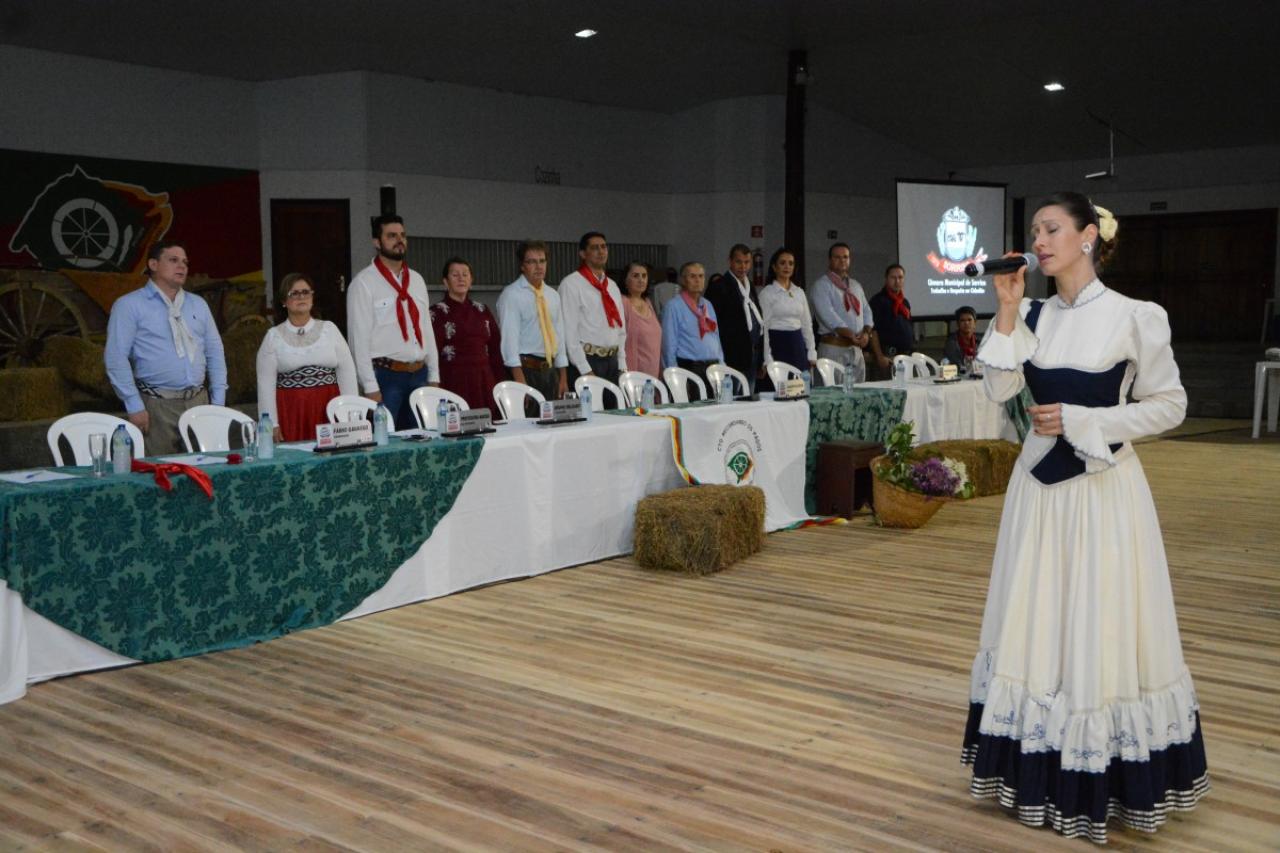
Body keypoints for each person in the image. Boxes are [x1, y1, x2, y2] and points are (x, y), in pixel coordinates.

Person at [963, 192, 1207, 843]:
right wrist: (1007, 308)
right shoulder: (1031, 313)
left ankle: (1104, 772)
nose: (1039, 241)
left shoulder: (1135, 316)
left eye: (1051, 229)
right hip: (1038, 497)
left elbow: (1170, 405)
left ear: (1088, 237)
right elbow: (998, 389)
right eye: (1034, 230)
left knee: (1098, 618)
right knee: (1038, 615)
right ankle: (1036, 769)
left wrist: (1086, 419)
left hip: (1103, 494)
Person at [104, 240, 228, 455]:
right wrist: (134, 405)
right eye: (173, 260)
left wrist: (218, 403)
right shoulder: (129, 305)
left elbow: (214, 351)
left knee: (206, 467)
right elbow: (116, 357)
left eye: (185, 262)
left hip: (199, 402)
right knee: (161, 470)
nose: (182, 266)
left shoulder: (198, 304)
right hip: (157, 405)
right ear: (153, 264)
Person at [346, 215, 439, 430]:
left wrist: (434, 375)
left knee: (423, 439)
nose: (399, 240)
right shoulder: (363, 283)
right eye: (391, 236)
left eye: (402, 235)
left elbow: (426, 329)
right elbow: (358, 340)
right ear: (377, 242)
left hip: (420, 374)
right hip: (386, 377)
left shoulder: (417, 280)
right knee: (385, 440)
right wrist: (370, 386)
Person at [255, 273, 358, 442]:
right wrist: (271, 423)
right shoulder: (273, 337)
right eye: (294, 293)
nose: (301, 297)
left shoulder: (329, 329)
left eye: (305, 292)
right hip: (291, 411)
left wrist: (350, 414)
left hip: (329, 408)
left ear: (312, 297)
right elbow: (265, 384)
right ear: (284, 301)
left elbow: (347, 373)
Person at [429, 257, 505, 417]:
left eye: (465, 274)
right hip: (453, 380)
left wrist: (500, 384)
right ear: (445, 282)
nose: (461, 278)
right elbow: (431, 353)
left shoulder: (482, 310)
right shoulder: (436, 313)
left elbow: (496, 350)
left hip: (484, 381)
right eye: (455, 275)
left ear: (471, 281)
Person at [497, 240, 568, 406]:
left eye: (542, 261)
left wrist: (563, 376)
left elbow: (559, 336)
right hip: (524, 370)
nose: (538, 266)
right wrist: (520, 381)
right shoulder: (511, 295)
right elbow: (509, 341)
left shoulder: (552, 295)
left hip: (550, 371)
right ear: (522, 266)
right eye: (532, 262)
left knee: (554, 420)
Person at [560, 231, 627, 384]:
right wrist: (584, 368)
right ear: (583, 254)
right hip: (587, 360)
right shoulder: (571, 284)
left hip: (612, 362)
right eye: (595, 248)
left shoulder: (612, 286)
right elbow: (569, 332)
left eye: (604, 247)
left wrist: (622, 364)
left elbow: (621, 329)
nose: (601, 251)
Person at [705, 243, 764, 393]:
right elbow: (712, 326)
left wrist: (761, 359)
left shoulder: (749, 285)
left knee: (748, 398)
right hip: (731, 356)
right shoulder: (719, 287)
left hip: (752, 354)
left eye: (747, 262)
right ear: (730, 261)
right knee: (730, 399)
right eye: (738, 262)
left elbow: (758, 320)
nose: (743, 267)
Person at [810, 242, 871, 384]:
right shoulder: (821, 285)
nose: (842, 260)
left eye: (845, 257)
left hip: (856, 350)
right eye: (837, 257)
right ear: (829, 260)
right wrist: (850, 334)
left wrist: (866, 333)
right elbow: (828, 315)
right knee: (832, 393)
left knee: (858, 393)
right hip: (834, 348)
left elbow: (867, 311)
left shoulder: (855, 285)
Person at [660, 262, 723, 398]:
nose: (697, 280)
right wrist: (676, 377)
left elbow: (716, 337)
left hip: (713, 367)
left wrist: (722, 365)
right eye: (692, 276)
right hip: (689, 368)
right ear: (683, 280)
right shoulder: (673, 306)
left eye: (701, 276)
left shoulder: (707, 305)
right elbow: (668, 346)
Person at [758, 247, 816, 385]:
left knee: (800, 388)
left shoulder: (799, 292)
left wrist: (811, 351)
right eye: (782, 263)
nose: (787, 267)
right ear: (774, 267)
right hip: (777, 344)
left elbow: (807, 325)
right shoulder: (767, 293)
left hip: (797, 345)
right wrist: (767, 358)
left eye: (791, 263)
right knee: (780, 388)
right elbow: (764, 328)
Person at [868, 264, 913, 379]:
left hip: (904, 357)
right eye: (893, 277)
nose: (897, 281)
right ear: (886, 279)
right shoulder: (877, 301)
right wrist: (879, 356)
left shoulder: (905, 303)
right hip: (886, 357)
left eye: (900, 277)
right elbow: (873, 331)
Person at [621, 261, 662, 378]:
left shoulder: (648, 302)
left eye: (644, 276)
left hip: (653, 371)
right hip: (633, 372)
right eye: (635, 276)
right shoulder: (622, 303)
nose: (641, 280)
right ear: (625, 280)